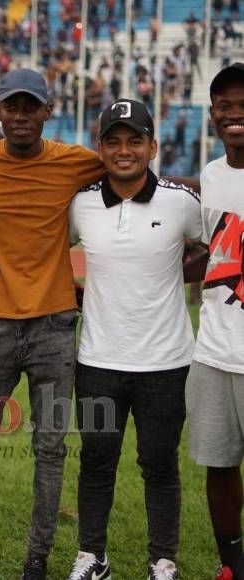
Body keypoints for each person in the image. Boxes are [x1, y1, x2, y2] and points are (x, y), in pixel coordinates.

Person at [0, 68, 106, 580]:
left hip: (54, 328)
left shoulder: (77, 161)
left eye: (30, 106)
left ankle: (37, 559)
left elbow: (131, 170)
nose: (20, 116)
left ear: (47, 111)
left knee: (50, 448)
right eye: (11, 106)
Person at [64, 100, 201, 580]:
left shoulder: (180, 201)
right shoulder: (80, 203)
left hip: (166, 361)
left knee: (159, 463)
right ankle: (91, 555)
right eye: (114, 141)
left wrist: (183, 277)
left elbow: (216, 244)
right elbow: (43, 251)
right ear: (99, 147)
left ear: (153, 147)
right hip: (98, 358)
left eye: (135, 140)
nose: (125, 151)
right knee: (96, 460)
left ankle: (163, 560)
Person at [184, 63, 244, 580]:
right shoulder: (211, 174)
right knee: (219, 465)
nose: (234, 113)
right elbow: (214, 251)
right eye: (225, 105)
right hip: (215, 350)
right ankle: (232, 565)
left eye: (243, 104)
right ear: (212, 114)